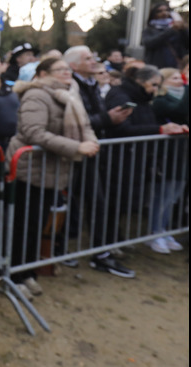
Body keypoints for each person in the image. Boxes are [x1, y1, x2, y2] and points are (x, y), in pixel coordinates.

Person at [6, 57, 99, 299]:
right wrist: (76, 147)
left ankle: (28, 273)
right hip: (30, 169)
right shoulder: (37, 95)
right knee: (24, 227)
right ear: (44, 73)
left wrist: (91, 142)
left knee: (37, 227)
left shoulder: (71, 95)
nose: (67, 73)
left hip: (52, 170)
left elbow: (85, 125)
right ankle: (16, 277)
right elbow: (33, 132)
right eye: (60, 70)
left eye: (68, 68)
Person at [62, 45, 135, 277]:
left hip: (92, 151)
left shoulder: (93, 85)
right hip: (75, 151)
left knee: (96, 202)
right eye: (87, 58)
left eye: (93, 56)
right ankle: (64, 251)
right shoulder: (70, 88)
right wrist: (107, 118)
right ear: (74, 65)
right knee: (72, 203)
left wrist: (114, 118)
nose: (94, 61)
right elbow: (76, 122)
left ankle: (99, 253)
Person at [105, 64, 189, 255]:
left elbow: (146, 122)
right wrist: (159, 130)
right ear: (141, 82)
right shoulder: (122, 96)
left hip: (136, 157)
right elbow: (121, 128)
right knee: (113, 202)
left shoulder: (142, 98)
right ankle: (106, 243)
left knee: (123, 203)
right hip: (120, 157)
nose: (154, 90)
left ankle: (115, 239)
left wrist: (165, 128)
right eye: (152, 85)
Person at [142, 2, 189, 69]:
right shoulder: (149, 30)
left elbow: (186, 44)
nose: (164, 13)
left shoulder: (177, 28)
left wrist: (184, 29)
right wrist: (171, 30)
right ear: (154, 14)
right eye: (159, 11)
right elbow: (149, 43)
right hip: (156, 66)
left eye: (167, 10)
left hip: (176, 65)